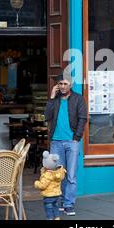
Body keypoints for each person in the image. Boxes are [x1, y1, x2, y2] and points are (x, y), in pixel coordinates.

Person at [44, 73, 87, 216]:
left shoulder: (78, 99)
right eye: (60, 84)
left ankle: (69, 203)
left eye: (65, 84)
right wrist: (51, 97)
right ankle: (61, 201)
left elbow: (83, 118)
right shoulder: (54, 100)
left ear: (71, 85)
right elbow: (47, 116)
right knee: (58, 174)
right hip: (56, 142)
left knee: (71, 175)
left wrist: (77, 137)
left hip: (71, 141)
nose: (62, 86)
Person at [34, 151, 66, 220]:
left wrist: (36, 183)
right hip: (56, 194)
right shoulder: (59, 172)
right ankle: (57, 217)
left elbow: (43, 185)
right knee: (55, 205)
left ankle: (50, 218)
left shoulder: (47, 175)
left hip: (48, 195)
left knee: (48, 207)